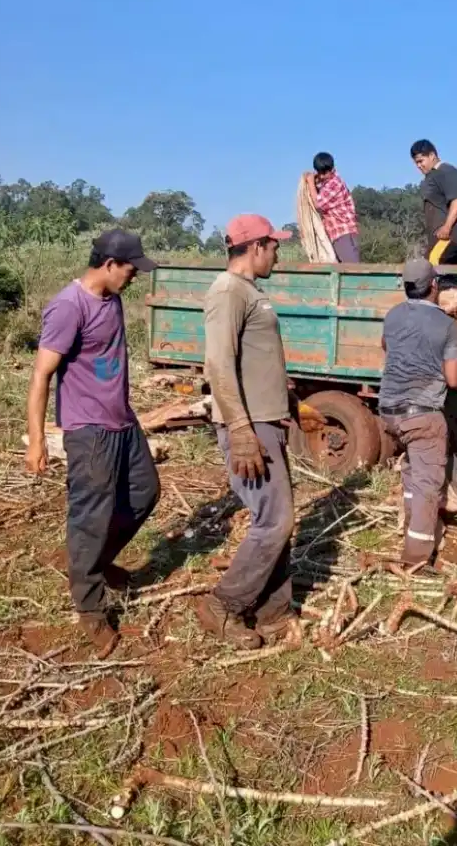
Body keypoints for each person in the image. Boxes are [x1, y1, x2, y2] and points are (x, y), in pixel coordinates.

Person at [26, 230, 160, 657]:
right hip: (89, 429)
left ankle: (94, 564)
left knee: (144, 491)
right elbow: (41, 375)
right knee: (91, 515)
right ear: (108, 264)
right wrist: (37, 440)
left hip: (122, 420)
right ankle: (89, 607)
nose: (135, 276)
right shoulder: (69, 307)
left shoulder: (113, 299)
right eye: (131, 268)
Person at [199, 214, 300, 650]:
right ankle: (223, 605)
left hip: (265, 421)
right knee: (275, 520)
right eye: (274, 245)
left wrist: (291, 403)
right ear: (255, 246)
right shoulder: (227, 291)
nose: (278, 251)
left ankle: (274, 610)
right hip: (250, 428)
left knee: (279, 518)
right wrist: (240, 429)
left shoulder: (248, 292)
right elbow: (218, 363)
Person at [380, 259, 457, 564]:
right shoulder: (447, 325)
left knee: (413, 472)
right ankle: (416, 559)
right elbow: (454, 379)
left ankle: (410, 523)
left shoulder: (392, 316)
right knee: (429, 484)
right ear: (434, 286)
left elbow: (387, 348)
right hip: (423, 414)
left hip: (389, 411)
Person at [410, 139, 457, 264]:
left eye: (421, 161)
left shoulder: (446, 171)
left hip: (454, 235)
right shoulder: (432, 176)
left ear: (432, 155)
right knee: (432, 269)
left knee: (435, 265)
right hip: (440, 238)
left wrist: (447, 227)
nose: (418, 166)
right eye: (416, 163)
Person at [304, 152, 360, 262]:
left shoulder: (335, 183)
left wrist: (310, 182)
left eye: (324, 173)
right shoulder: (327, 184)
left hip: (343, 233)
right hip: (337, 235)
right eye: (320, 173)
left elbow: (318, 204)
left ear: (332, 169)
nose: (321, 176)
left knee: (351, 271)